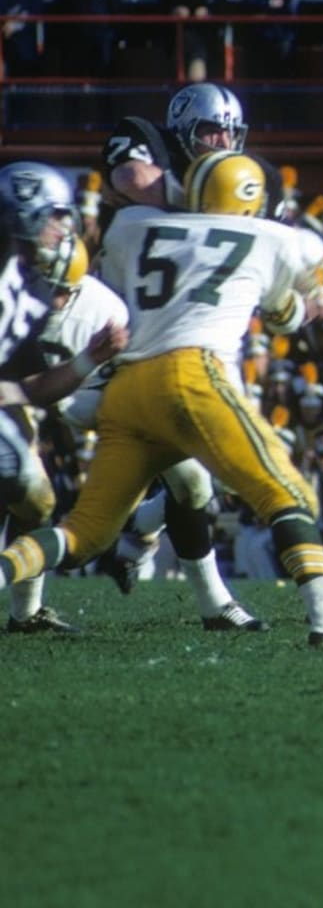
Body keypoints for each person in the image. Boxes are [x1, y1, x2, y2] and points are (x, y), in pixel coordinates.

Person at [0, 153, 323, 648]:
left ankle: (11, 569)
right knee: (289, 494)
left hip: (127, 389)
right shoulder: (273, 238)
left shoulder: (129, 226)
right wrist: (303, 303)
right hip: (192, 375)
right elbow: (287, 315)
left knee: (83, 533)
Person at [98, 82, 279, 630]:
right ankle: (213, 601)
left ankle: (137, 531)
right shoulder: (142, 137)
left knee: (212, 474)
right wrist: (213, 195)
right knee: (195, 476)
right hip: (133, 327)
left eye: (229, 132)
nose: (221, 140)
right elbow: (132, 181)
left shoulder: (255, 168)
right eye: (209, 130)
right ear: (181, 129)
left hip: (209, 330)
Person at [0, 162, 129, 634]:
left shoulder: (24, 289)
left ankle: (25, 613)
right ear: (22, 217)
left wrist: (89, 359)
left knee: (35, 500)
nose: (64, 230)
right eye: (54, 217)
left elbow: (29, 387)